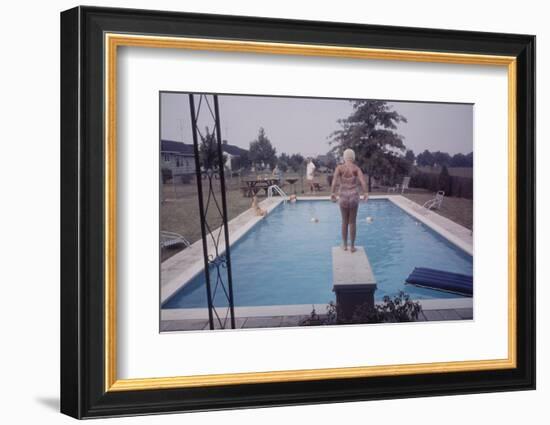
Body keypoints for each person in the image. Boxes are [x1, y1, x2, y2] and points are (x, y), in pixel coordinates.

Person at [330, 148, 368, 253]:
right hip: (353, 197)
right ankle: (352, 247)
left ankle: (345, 245)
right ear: (353, 157)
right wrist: (366, 193)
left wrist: (332, 194)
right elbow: (363, 181)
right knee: (352, 222)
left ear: (344, 157)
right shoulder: (356, 168)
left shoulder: (339, 168)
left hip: (343, 197)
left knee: (344, 222)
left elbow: (334, 182)